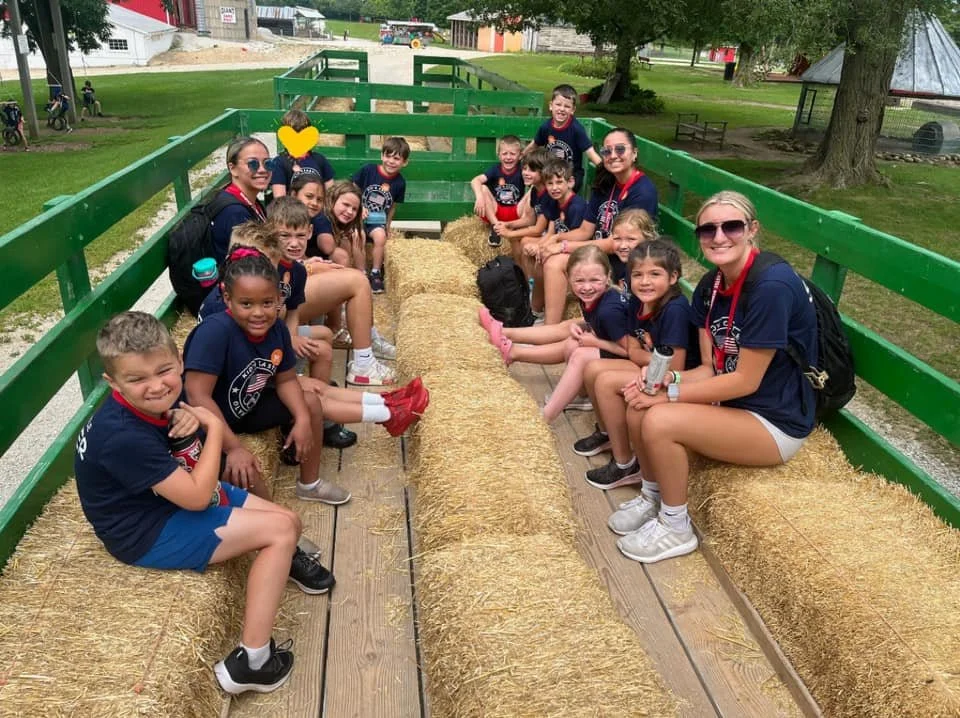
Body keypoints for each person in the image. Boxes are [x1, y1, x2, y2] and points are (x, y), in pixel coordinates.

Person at [74, 311, 334, 695]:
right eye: (137, 379)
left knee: (289, 521)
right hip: (144, 531)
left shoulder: (161, 399)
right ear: (113, 383)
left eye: (163, 371)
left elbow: (183, 451)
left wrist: (190, 421)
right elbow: (197, 498)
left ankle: (277, 562)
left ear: (179, 360)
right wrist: (211, 428)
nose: (156, 386)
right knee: (280, 532)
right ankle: (252, 661)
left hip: (163, 499)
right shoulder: (120, 435)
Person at [614, 191, 818, 564]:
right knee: (639, 400)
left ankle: (676, 526)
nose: (719, 236)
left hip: (773, 420)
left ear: (752, 230)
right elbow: (710, 367)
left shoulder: (772, 287)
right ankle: (652, 495)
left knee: (659, 418)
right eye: (708, 228)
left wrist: (668, 396)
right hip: (731, 404)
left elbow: (744, 381)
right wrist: (660, 381)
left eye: (731, 226)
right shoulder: (711, 286)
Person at [183, 249, 352, 504]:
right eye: (246, 304)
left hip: (245, 407)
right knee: (244, 469)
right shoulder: (214, 332)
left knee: (310, 403)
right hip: (208, 420)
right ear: (227, 299)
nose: (259, 313)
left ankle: (310, 484)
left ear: (279, 300)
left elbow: (285, 380)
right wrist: (234, 447)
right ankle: (276, 523)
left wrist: (303, 419)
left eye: (267, 303)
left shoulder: (278, 330)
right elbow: (197, 396)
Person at [574, 238, 698, 492]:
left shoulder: (675, 310)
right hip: (651, 368)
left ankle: (625, 464)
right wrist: (644, 356)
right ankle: (609, 433)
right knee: (592, 369)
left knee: (606, 381)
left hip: (678, 380)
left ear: (673, 277)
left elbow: (676, 366)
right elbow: (631, 351)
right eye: (637, 274)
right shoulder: (636, 302)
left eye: (655, 274)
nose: (645, 282)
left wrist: (643, 356)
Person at [479, 245, 629, 423]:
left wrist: (595, 342)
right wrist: (587, 330)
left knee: (578, 349)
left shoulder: (609, 310)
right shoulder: (594, 297)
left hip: (630, 361)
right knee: (574, 335)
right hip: (612, 347)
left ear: (607, 277)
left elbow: (629, 350)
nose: (587, 287)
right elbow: (599, 326)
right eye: (579, 281)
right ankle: (506, 337)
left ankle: (544, 418)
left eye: (594, 280)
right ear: (568, 278)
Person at [540, 128, 659, 324]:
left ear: (634, 153)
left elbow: (616, 244)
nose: (613, 156)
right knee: (544, 253)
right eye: (607, 151)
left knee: (555, 262)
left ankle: (549, 327)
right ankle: (540, 315)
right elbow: (586, 230)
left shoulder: (643, 191)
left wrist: (563, 247)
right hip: (598, 252)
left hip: (622, 259)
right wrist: (555, 239)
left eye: (620, 150)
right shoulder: (605, 182)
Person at [351, 136, 409, 293]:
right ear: (382, 155)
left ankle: (376, 273)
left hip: (378, 221)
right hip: (360, 217)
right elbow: (352, 188)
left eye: (396, 158)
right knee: (358, 236)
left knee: (381, 237)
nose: (391, 161)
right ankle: (361, 272)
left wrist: (387, 226)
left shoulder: (400, 182)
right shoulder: (369, 170)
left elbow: (392, 207)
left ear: (404, 162)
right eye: (388, 156)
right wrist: (359, 207)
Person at [525, 84, 602, 193]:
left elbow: (590, 152)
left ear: (573, 110)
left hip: (571, 174)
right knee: (538, 185)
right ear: (551, 106)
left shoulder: (576, 129)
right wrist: (522, 156)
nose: (562, 109)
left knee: (561, 190)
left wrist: (605, 170)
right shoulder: (546, 127)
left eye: (567, 106)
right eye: (558, 104)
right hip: (551, 172)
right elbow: (535, 144)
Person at [210, 137, 272, 264]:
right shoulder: (234, 213)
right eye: (253, 164)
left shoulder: (247, 200)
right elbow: (250, 267)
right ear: (233, 169)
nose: (262, 170)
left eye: (267, 163)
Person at [491, 147, 550, 263]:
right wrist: (508, 224)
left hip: (551, 235)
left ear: (544, 172)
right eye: (524, 169)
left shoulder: (548, 194)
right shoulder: (534, 191)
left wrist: (510, 233)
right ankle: (520, 272)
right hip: (543, 232)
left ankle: (528, 277)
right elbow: (530, 219)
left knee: (523, 240)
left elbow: (538, 229)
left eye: (532, 170)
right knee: (516, 238)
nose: (526, 173)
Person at [470, 135, 525, 247]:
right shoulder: (495, 169)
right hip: (496, 212)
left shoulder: (522, 170)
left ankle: (523, 228)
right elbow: (475, 180)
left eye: (513, 154)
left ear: (520, 156)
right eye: (504, 153)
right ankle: (496, 228)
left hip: (516, 212)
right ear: (499, 155)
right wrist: (479, 197)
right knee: (484, 188)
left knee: (533, 190)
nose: (508, 157)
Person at [270, 109, 336, 197]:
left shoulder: (319, 160)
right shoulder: (279, 162)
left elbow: (330, 194)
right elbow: (279, 198)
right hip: (292, 209)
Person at [289, 171, 341, 263]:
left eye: (320, 199)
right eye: (309, 196)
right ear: (294, 195)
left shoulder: (317, 218)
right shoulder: (285, 218)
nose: (315, 203)